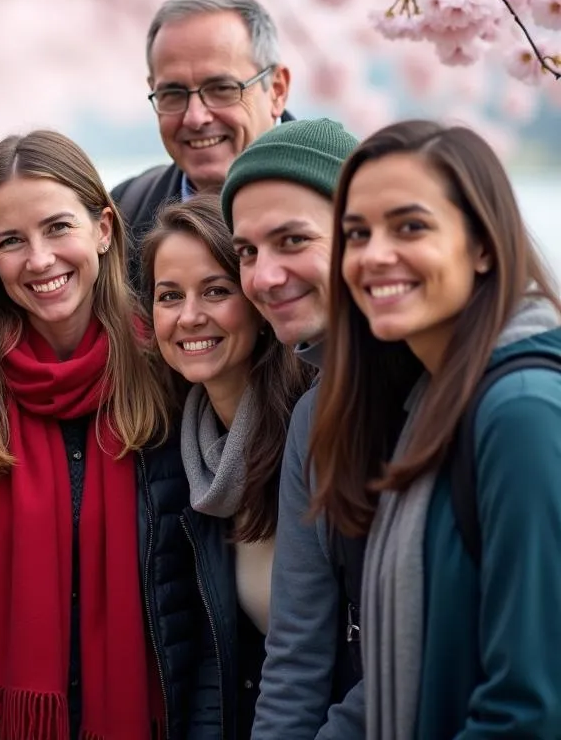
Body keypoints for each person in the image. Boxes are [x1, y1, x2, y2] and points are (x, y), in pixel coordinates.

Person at [0, 129, 221, 740]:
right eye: (11, 241)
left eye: (58, 227)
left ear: (105, 229)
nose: (39, 259)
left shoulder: (173, 375)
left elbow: (205, 622)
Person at [308, 120, 561, 740]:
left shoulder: (521, 413)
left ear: (482, 245)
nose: (374, 256)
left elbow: (529, 710)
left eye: (411, 226)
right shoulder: (423, 402)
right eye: (356, 234)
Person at [217, 118, 369, 740]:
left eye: (292, 239)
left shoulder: (472, 400)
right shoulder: (315, 416)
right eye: (248, 252)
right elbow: (296, 655)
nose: (263, 277)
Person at [142, 195, 312, 740]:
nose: (189, 316)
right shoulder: (187, 453)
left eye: (216, 291)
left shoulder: (311, 433)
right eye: (170, 296)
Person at [112, 0, 292, 289]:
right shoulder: (125, 214)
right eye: (172, 94)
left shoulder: (343, 201)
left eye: (221, 88)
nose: (195, 117)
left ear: (276, 89)